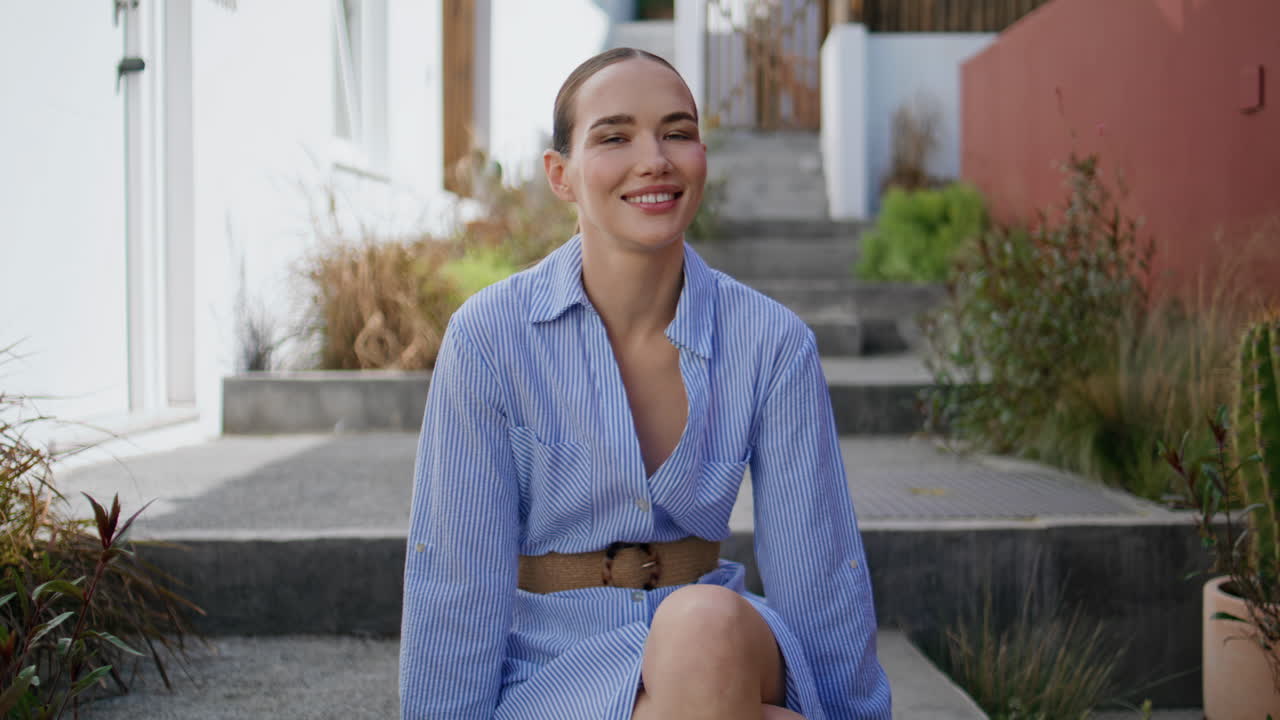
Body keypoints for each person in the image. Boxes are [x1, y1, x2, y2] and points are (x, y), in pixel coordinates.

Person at [399, 47, 891, 720]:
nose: (654, 159)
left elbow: (819, 568)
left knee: (701, 626)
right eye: (614, 137)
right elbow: (457, 576)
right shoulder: (490, 339)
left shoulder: (772, 343)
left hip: (723, 645)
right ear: (561, 175)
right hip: (552, 664)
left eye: (677, 133)